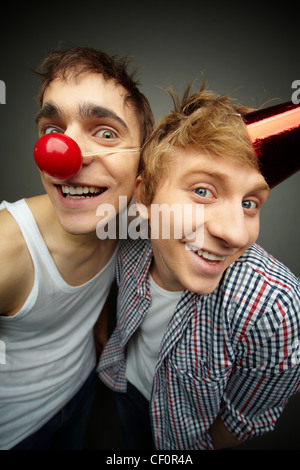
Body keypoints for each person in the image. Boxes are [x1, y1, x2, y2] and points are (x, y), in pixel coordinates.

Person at [98, 85, 300, 450]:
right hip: (122, 387)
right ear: (145, 198)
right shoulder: (127, 242)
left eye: (250, 203)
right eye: (203, 191)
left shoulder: (274, 308)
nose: (236, 233)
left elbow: (247, 415)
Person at [0, 46, 154, 450]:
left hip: (83, 390)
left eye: (105, 131)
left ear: (142, 167)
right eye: (53, 130)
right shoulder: (5, 251)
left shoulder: (127, 219)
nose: (63, 156)